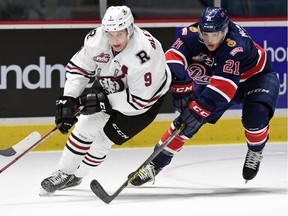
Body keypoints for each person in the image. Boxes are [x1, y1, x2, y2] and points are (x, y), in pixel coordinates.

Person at [129, 6, 280, 186]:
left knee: (255, 118)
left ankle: (255, 150)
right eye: (206, 34)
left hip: (256, 78)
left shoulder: (236, 45)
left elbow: (224, 88)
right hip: (220, 81)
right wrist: (179, 83)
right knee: (185, 124)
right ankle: (154, 165)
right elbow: (173, 57)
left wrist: (198, 110)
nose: (209, 39)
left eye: (215, 35)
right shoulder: (191, 34)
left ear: (224, 30)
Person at [39, 5, 172, 195]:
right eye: (110, 33)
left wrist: (101, 101)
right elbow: (79, 68)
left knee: (103, 139)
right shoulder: (97, 39)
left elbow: (139, 101)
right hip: (112, 82)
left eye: (119, 34)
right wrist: (69, 99)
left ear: (130, 29)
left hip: (144, 102)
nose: (114, 39)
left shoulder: (143, 54)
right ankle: (65, 173)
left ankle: (78, 175)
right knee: (84, 126)